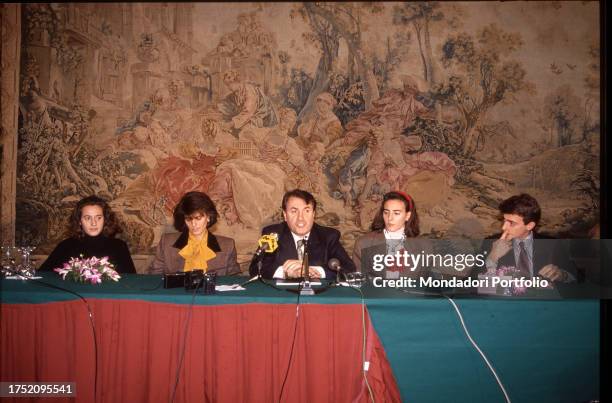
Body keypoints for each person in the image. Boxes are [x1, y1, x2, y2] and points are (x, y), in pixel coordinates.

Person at [249, 189, 355, 280]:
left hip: (317, 298)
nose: (301, 218)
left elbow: (349, 269)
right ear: (285, 215)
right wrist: (285, 272)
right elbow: (255, 269)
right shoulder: (273, 235)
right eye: (294, 211)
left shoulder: (328, 236)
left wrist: (314, 271)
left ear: (314, 214)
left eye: (307, 211)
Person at [484, 193, 575, 282]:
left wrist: (562, 275)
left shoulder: (553, 244)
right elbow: (473, 284)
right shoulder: (491, 242)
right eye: (504, 221)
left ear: (530, 225)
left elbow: (577, 276)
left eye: (511, 223)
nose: (503, 227)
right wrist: (492, 257)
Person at [148, 191, 240, 275]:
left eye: (198, 218)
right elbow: (154, 277)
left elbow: (234, 281)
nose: (193, 224)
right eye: (188, 219)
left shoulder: (227, 246)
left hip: (212, 293)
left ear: (208, 217)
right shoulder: (166, 242)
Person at [39, 196, 136, 273]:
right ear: (79, 221)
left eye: (98, 218)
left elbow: (131, 281)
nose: (93, 223)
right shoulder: (65, 246)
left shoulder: (119, 246)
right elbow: (43, 276)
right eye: (88, 218)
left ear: (105, 220)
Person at [352, 191, 430, 278]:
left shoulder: (424, 245)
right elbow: (359, 282)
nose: (390, 218)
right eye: (386, 212)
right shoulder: (363, 243)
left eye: (396, 213)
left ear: (407, 215)